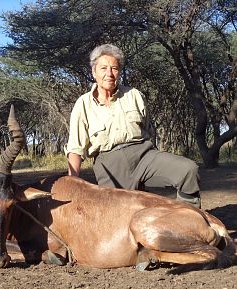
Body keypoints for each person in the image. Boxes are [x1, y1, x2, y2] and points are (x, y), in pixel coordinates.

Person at [65, 44, 201, 208]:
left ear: (119, 72)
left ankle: (189, 221)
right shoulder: (83, 104)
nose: (109, 74)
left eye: (114, 68)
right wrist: (72, 183)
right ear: (93, 72)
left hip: (144, 155)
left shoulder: (134, 95)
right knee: (117, 217)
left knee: (188, 170)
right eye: (103, 68)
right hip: (109, 164)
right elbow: (75, 147)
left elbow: (149, 130)